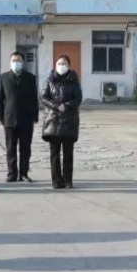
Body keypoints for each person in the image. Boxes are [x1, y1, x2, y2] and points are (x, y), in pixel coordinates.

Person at [41, 55, 83, 189]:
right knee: (54, 154)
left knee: (68, 153)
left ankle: (67, 180)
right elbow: (43, 97)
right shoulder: (50, 81)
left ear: (68, 66)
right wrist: (56, 106)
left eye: (64, 63)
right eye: (59, 63)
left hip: (69, 121)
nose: (61, 66)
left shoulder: (74, 80)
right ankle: (56, 180)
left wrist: (66, 106)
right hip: (53, 121)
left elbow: (78, 98)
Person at [0, 52, 40, 183]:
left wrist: (35, 116)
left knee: (25, 148)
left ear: (23, 62)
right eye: (14, 60)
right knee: (10, 148)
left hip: (26, 119)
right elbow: (0, 99)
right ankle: (12, 173)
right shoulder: (4, 77)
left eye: (18, 60)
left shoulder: (30, 78)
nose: (16, 63)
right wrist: (1, 117)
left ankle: (24, 173)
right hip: (9, 118)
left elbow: (34, 99)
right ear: (10, 62)